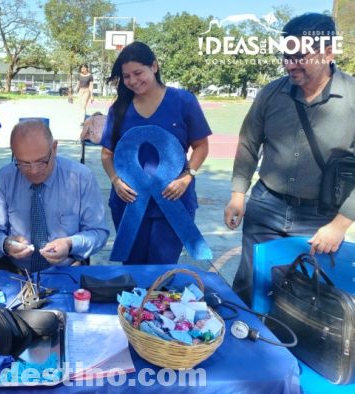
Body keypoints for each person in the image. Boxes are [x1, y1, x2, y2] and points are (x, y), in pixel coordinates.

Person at [224, 13, 355, 306]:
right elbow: (248, 143)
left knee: (307, 297)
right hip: (266, 209)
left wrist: (340, 225)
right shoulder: (272, 93)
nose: (289, 64)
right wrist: (237, 195)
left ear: (328, 53)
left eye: (299, 56)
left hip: (320, 219)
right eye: (286, 55)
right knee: (249, 288)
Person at [100, 41, 211, 264]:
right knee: (132, 272)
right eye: (127, 76)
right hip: (130, 202)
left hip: (172, 200)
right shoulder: (119, 108)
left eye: (138, 73)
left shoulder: (183, 101)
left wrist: (188, 176)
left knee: (162, 274)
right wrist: (115, 180)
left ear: (155, 66)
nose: (132, 81)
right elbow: (106, 154)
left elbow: (201, 146)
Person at [0, 120, 109, 272]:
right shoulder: (2, 180)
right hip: (15, 271)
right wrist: (5, 244)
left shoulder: (81, 178)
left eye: (41, 162)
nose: (33, 170)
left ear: (54, 148)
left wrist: (70, 244)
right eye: (23, 163)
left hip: (68, 269)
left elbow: (98, 232)